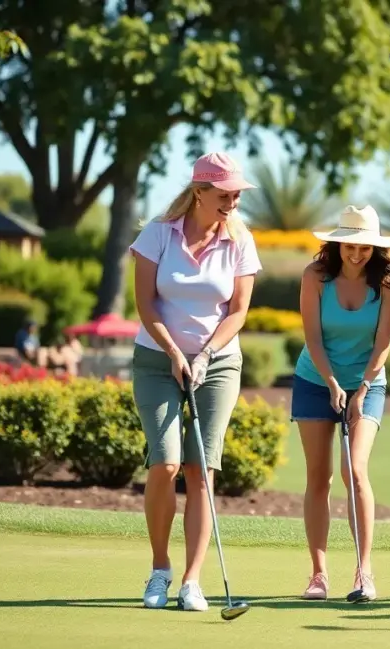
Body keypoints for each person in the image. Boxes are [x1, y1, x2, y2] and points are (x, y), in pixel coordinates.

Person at [129, 152, 262, 612]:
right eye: (224, 194)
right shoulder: (157, 234)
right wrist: (173, 352)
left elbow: (239, 310)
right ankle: (160, 570)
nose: (233, 202)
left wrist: (204, 354)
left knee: (200, 470)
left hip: (219, 362)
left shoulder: (240, 240)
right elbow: (145, 305)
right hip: (155, 357)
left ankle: (192, 581)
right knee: (164, 464)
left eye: (237, 195)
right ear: (199, 192)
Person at [292, 205, 390, 602]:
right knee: (318, 478)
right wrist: (332, 382)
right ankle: (319, 575)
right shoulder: (315, 276)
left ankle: (364, 572)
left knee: (354, 471)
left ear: (375, 248)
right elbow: (313, 338)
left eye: (365, 248)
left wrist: (361, 387)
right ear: (336, 244)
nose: (356, 254)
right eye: (349, 246)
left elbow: (383, 342)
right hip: (314, 380)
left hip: (368, 384)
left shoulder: (388, 283)